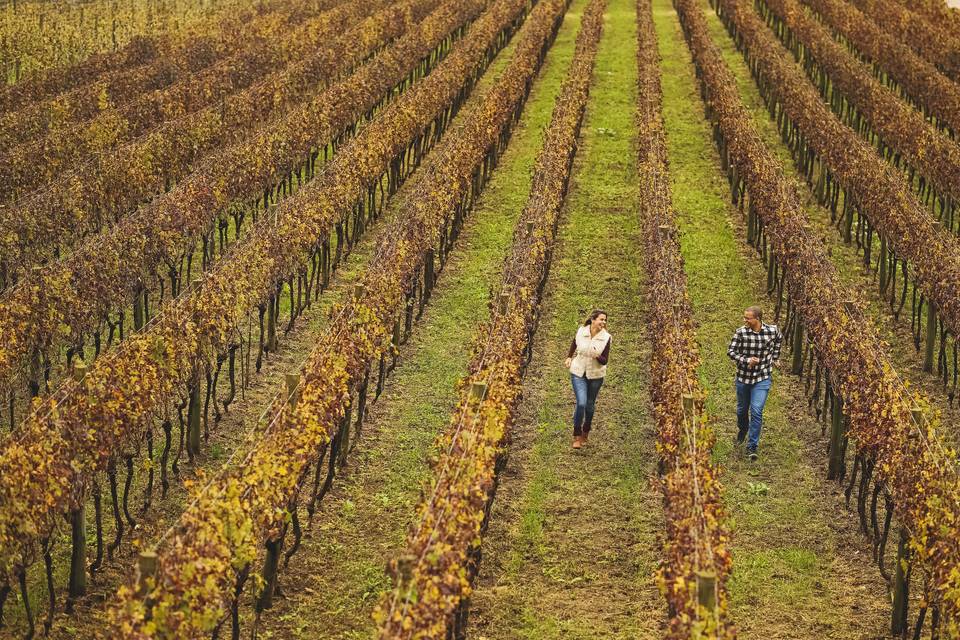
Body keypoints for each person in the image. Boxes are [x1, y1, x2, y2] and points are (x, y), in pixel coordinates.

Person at [727, 305, 782, 461]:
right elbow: (731, 351)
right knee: (741, 411)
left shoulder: (772, 331)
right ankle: (743, 429)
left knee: (757, 410)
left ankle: (752, 446)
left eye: (748, 318)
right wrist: (746, 360)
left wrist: (775, 358)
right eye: (744, 317)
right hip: (743, 378)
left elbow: (779, 339)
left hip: (762, 377)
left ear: (757, 319)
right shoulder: (741, 333)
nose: (745, 320)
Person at [564, 309, 611, 449]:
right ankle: (577, 436)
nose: (603, 322)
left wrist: (597, 355)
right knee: (581, 403)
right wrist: (569, 357)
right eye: (601, 319)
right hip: (578, 372)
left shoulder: (606, 337)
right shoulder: (581, 331)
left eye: (605, 320)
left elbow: (605, 361)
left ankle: (586, 430)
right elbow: (574, 343)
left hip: (596, 375)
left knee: (590, 405)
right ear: (593, 320)